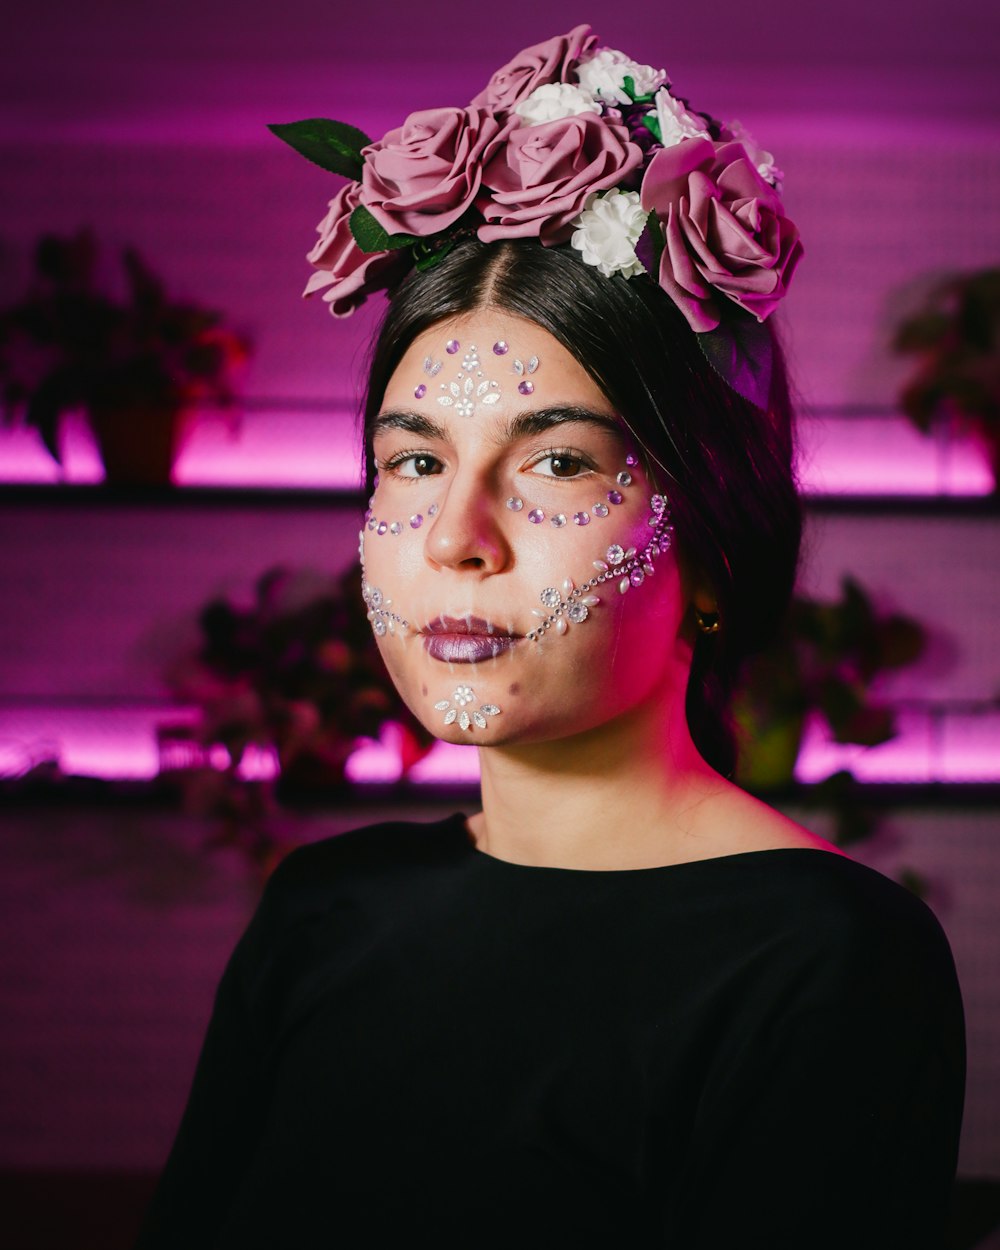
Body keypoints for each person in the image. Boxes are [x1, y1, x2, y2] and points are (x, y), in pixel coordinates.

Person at [136, 27, 965, 1248]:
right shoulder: (324, 909)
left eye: (558, 463)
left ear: (717, 541)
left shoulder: (827, 960)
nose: (455, 537)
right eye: (415, 460)